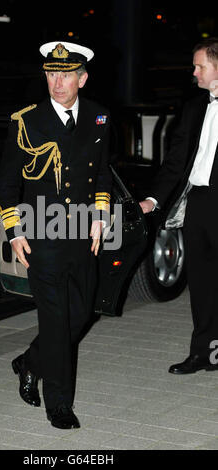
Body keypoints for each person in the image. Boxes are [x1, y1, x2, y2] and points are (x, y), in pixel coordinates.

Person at [0, 41, 112, 428]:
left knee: (81, 313)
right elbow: (7, 184)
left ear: (82, 78)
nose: (57, 82)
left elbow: (102, 174)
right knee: (56, 321)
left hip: (83, 232)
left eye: (65, 74)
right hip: (41, 233)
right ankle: (59, 404)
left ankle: (31, 360)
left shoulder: (99, 117)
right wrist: (14, 231)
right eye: (51, 74)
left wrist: (99, 216)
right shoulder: (26, 121)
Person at [140, 37, 218, 375]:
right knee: (201, 285)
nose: (194, 71)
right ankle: (205, 353)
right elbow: (175, 162)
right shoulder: (195, 107)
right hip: (199, 203)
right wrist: (153, 199)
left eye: (200, 65)